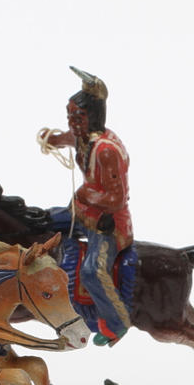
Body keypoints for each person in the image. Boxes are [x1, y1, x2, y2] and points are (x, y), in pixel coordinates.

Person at [39, 66, 132, 345]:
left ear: (93, 116)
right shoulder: (82, 137)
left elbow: (117, 198)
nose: (72, 123)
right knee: (42, 221)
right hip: (82, 212)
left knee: (92, 271)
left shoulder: (106, 150)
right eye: (69, 116)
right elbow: (68, 138)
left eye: (77, 117)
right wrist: (53, 140)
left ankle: (116, 324)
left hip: (108, 224)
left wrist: (85, 195)